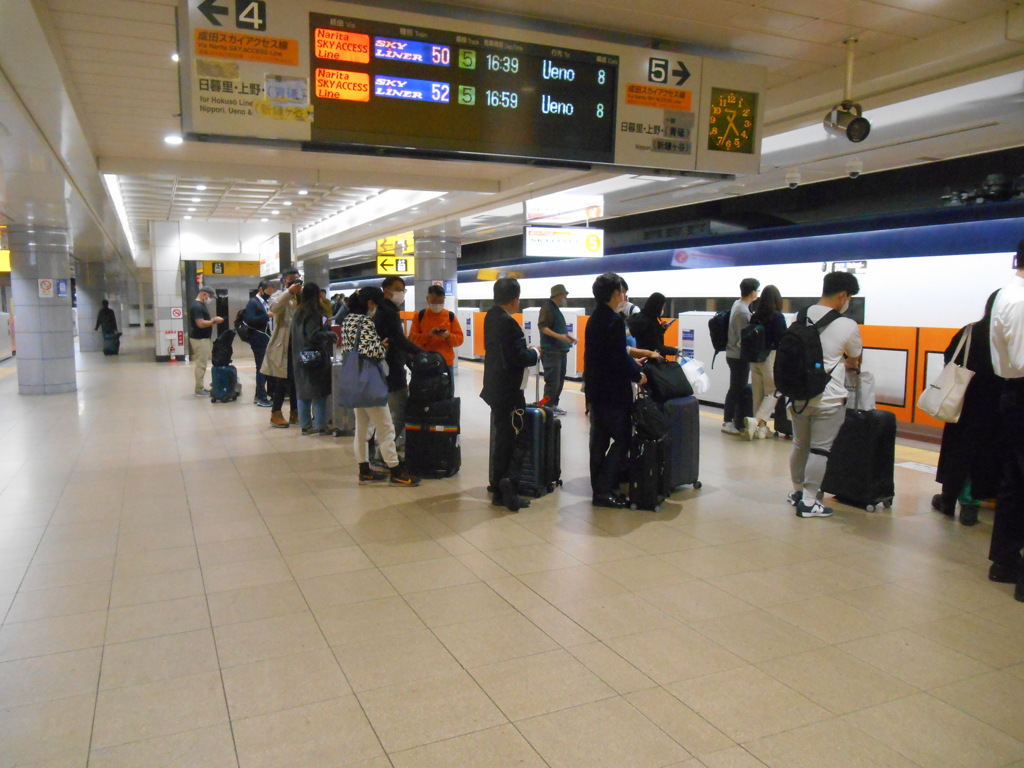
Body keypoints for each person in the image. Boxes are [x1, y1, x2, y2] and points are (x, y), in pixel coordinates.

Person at [787, 271, 862, 518]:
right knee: (819, 449)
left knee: (800, 445)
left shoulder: (801, 316)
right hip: (828, 398)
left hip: (798, 395)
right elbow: (853, 354)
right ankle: (809, 502)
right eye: (849, 296)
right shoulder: (847, 325)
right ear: (842, 295)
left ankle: (798, 491)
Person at [931, 291, 1003, 526]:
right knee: (985, 452)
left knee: (958, 451)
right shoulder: (1010, 336)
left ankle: (949, 499)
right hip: (997, 406)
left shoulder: (970, 330)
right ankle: (970, 505)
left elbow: (950, 359)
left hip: (962, 402)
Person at [340, 287, 420, 486]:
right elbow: (372, 352)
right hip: (370, 383)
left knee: (362, 428)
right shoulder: (365, 321)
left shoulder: (348, 320)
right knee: (386, 428)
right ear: (370, 303)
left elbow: (353, 347)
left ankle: (364, 469)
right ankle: (395, 470)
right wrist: (382, 346)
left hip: (355, 379)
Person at [584, 273, 647, 509]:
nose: (624, 296)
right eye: (622, 291)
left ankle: (600, 488)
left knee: (599, 441)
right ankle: (605, 489)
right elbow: (619, 356)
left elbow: (601, 355)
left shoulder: (595, 318)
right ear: (614, 293)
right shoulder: (614, 320)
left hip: (597, 390)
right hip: (613, 392)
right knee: (622, 439)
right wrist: (637, 375)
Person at [481, 277, 539, 511]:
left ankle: (497, 486)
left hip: (495, 388)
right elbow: (519, 358)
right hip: (510, 391)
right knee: (518, 438)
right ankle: (508, 486)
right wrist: (535, 353)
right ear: (515, 300)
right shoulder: (508, 323)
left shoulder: (490, 316)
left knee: (503, 438)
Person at [987, 239, 1024, 601]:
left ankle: (1005, 560)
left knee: (1015, 483)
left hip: (1014, 395)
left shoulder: (1007, 294)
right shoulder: (1022, 299)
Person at [375, 276, 424, 453]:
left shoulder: (382, 311)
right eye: (398, 289)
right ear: (387, 291)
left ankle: (381, 450)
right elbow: (399, 340)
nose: (401, 293)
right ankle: (382, 452)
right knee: (399, 414)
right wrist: (419, 352)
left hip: (386, 367)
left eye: (403, 289)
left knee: (388, 415)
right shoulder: (389, 312)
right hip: (392, 370)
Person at [743, 284, 788, 440]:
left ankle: (761, 429)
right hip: (771, 357)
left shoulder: (756, 315)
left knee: (758, 394)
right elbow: (782, 340)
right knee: (774, 391)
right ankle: (755, 421)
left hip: (755, 358)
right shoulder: (777, 317)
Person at [290, 282, 334, 435]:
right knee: (318, 393)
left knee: (303, 393)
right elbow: (313, 335)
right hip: (314, 358)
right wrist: (329, 334)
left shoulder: (297, 312)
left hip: (299, 356)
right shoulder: (312, 312)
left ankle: (306, 426)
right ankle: (321, 425)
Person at [261, 268, 302, 427]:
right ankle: (275, 413)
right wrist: (289, 293)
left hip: (298, 344)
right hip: (282, 344)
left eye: (297, 279)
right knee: (281, 380)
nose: (294, 282)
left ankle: (295, 412)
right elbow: (275, 308)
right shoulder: (278, 295)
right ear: (285, 281)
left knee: (296, 380)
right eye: (291, 279)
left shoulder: (301, 297)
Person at [409, 284, 464, 397]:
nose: (437, 304)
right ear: (427, 299)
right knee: (425, 395)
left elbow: (459, 340)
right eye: (434, 300)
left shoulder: (450, 316)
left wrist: (448, 336)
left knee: (446, 395)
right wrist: (427, 335)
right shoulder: (419, 316)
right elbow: (412, 339)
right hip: (424, 363)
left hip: (445, 364)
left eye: (440, 301)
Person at [723, 277, 760, 435]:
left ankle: (735, 419)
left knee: (737, 388)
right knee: (736, 389)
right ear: (753, 292)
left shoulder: (737, 304)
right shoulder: (743, 311)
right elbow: (742, 338)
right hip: (738, 356)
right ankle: (727, 421)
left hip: (734, 354)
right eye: (757, 291)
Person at [537, 284, 576, 415]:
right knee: (552, 383)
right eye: (565, 295)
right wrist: (560, 336)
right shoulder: (547, 308)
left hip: (560, 352)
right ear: (559, 295)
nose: (566, 298)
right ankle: (544, 406)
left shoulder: (555, 309)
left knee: (558, 382)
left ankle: (553, 405)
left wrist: (567, 337)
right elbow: (542, 327)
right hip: (551, 352)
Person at [243, 280, 275, 406]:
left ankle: (259, 395)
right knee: (261, 368)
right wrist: (267, 316)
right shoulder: (253, 302)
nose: (270, 294)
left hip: (265, 338)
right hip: (258, 339)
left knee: (264, 368)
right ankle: (261, 397)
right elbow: (250, 320)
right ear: (261, 289)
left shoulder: (264, 302)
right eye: (268, 291)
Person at [188, 286, 222, 397]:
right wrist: (214, 321)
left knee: (202, 363)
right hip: (199, 339)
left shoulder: (200, 305)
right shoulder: (197, 306)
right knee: (201, 364)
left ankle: (200, 387)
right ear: (204, 294)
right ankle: (199, 389)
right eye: (210, 296)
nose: (210, 298)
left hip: (202, 338)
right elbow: (200, 323)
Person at [627, 292, 677, 358]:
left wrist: (661, 329)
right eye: (662, 307)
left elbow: (648, 336)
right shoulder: (650, 323)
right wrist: (676, 351)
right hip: (650, 359)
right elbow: (657, 347)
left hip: (641, 357)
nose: (662, 310)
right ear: (657, 307)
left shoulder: (641, 318)